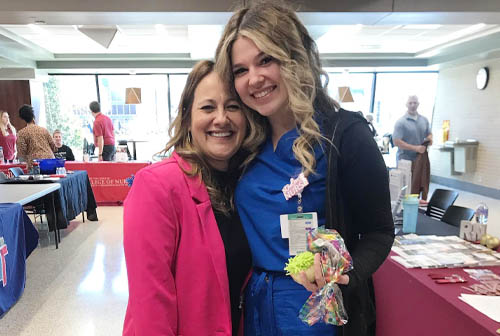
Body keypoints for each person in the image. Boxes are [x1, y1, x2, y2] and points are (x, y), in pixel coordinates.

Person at [215, 1, 394, 335]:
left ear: (294, 57)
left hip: (321, 308)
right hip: (256, 302)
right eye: (240, 70)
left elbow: (379, 232)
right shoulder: (243, 143)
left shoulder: (345, 136)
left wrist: (344, 274)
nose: (255, 78)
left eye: (266, 59)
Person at [123, 60, 264, 336]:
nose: (221, 118)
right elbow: (150, 306)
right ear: (187, 118)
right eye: (208, 107)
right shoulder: (157, 186)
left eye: (233, 106)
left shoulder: (247, 185)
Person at [393, 95, 433, 198]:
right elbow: (397, 141)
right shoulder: (401, 122)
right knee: (405, 187)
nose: (412, 105)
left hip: (420, 160)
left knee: (418, 184)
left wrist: (430, 139)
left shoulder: (424, 120)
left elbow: (429, 133)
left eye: (415, 103)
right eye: (410, 103)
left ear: (418, 104)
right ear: (406, 104)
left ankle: (415, 207)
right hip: (405, 159)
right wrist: (415, 148)